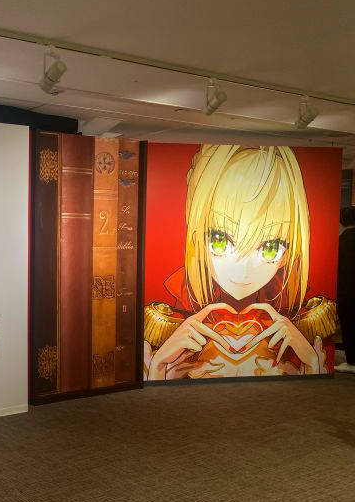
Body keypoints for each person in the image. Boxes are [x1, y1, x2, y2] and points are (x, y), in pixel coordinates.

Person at [144, 145, 336, 380]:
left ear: (288, 252)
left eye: (270, 247)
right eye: (220, 240)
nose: (243, 271)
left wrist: (313, 365)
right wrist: (157, 369)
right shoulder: (181, 310)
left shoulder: (290, 312)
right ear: (196, 237)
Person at [335, 206, 355, 372]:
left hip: (346, 291)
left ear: (341, 221)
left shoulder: (340, 242)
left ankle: (352, 362)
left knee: (349, 325)